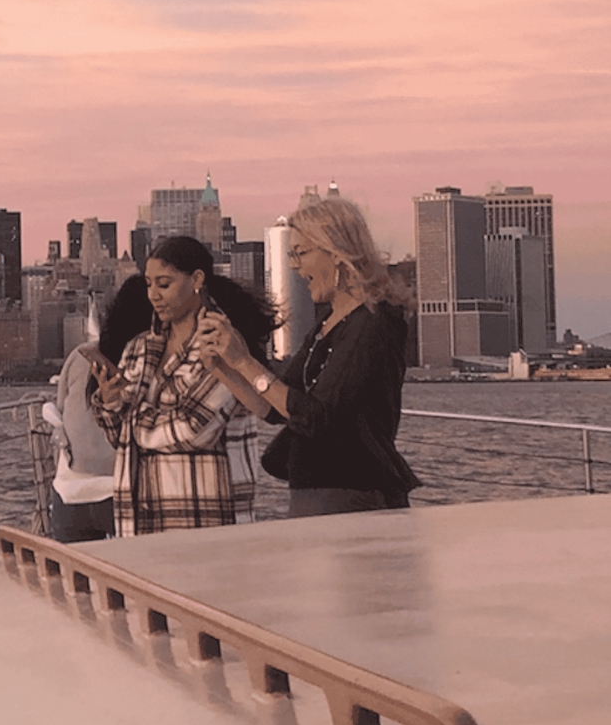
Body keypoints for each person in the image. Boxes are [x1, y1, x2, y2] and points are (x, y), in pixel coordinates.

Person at [195, 196, 419, 517]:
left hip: (351, 496)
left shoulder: (373, 322)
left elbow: (316, 416)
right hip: (315, 493)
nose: (294, 266)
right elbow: (276, 407)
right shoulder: (328, 321)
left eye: (300, 253)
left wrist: (244, 361)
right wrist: (223, 366)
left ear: (335, 251)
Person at [90, 237, 277, 535]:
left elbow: (195, 428)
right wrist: (110, 404)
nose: (153, 295)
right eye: (149, 284)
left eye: (164, 284)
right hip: (140, 524)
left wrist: (130, 417)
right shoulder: (138, 347)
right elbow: (120, 441)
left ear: (197, 280)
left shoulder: (222, 344)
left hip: (206, 521)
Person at [46, 275, 152, 541]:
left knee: (71, 579)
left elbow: (60, 408)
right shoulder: (149, 358)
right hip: (125, 493)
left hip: (70, 493)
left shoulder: (79, 356)